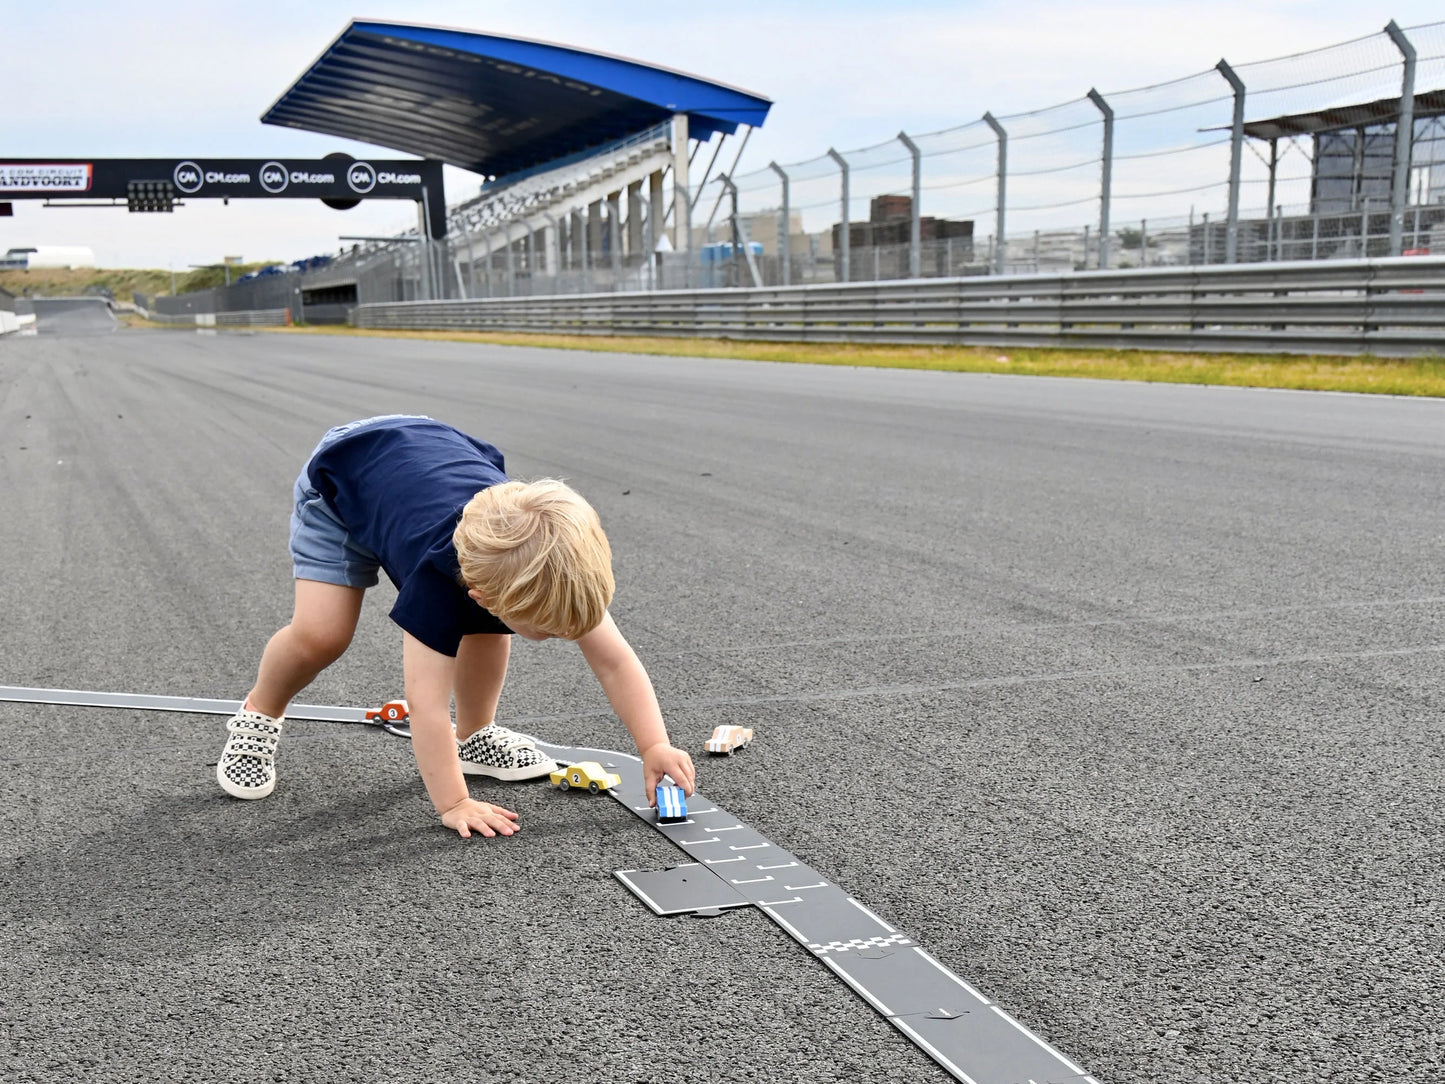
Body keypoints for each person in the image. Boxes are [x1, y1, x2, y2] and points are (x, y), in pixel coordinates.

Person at [215, 415, 695, 838]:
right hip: (343, 482)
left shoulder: (560, 571)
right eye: (548, 630)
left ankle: (477, 734)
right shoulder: (434, 585)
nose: (563, 636)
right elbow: (425, 708)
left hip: (423, 458)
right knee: (322, 635)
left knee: (490, 627)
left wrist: (654, 744)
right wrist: (454, 802)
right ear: (478, 594)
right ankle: (259, 714)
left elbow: (614, 661)